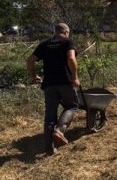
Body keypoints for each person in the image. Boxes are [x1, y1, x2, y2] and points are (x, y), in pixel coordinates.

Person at [27, 23, 80, 155]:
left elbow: (30, 60)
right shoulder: (68, 42)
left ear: (55, 32)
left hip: (49, 84)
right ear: (66, 32)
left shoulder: (44, 44)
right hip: (65, 82)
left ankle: (49, 148)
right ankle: (60, 131)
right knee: (72, 106)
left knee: (50, 116)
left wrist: (34, 76)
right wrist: (75, 77)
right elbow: (71, 58)